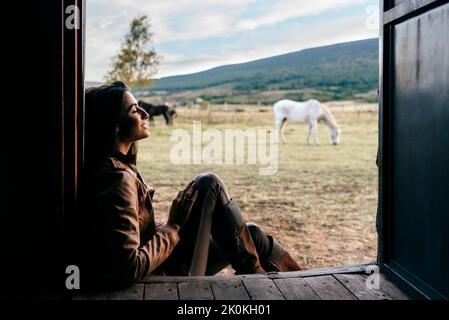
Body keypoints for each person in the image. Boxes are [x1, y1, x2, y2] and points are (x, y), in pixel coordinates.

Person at [80, 81, 302, 290]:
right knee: (208, 183)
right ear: (114, 125)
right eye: (134, 110)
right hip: (163, 276)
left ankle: (302, 283)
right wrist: (173, 227)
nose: (145, 114)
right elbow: (128, 267)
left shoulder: (121, 166)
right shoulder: (116, 178)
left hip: (164, 263)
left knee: (252, 234)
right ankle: (259, 281)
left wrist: (172, 225)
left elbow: (137, 233)